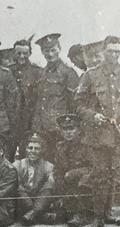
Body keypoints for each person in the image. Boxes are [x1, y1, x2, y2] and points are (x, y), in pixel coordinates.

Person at [75, 36, 120, 227]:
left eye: (117, 51)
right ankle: (98, 219)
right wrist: (92, 115)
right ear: (103, 51)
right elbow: (78, 104)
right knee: (100, 176)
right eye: (110, 51)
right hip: (98, 134)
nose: (114, 55)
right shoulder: (90, 75)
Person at [25, 33, 80, 212]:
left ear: (59, 49)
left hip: (59, 129)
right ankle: (45, 204)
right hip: (42, 129)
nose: (50, 54)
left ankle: (64, 206)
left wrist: (69, 129)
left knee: (61, 167)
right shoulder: (42, 72)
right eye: (46, 51)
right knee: (44, 167)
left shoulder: (68, 73)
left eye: (53, 50)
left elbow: (74, 103)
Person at [12, 132, 57, 225]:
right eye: (30, 148)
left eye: (37, 149)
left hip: (41, 201)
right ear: (26, 149)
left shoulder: (48, 166)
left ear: (42, 150)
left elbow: (50, 184)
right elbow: (17, 187)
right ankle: (39, 215)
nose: (33, 151)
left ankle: (34, 214)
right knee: (16, 185)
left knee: (49, 184)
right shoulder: (17, 165)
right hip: (22, 203)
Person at [8, 38, 44, 155]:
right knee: (8, 153)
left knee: (28, 154)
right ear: (13, 53)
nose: (22, 56)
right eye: (18, 53)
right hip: (11, 121)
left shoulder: (37, 72)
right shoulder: (8, 72)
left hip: (29, 121)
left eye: (25, 53)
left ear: (30, 54)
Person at [58, 114, 94, 227]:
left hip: (85, 185)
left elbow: (93, 168)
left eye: (71, 129)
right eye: (65, 129)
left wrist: (74, 173)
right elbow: (57, 170)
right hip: (69, 187)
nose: (68, 132)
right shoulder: (60, 147)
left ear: (78, 130)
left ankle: (83, 214)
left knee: (85, 179)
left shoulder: (86, 146)